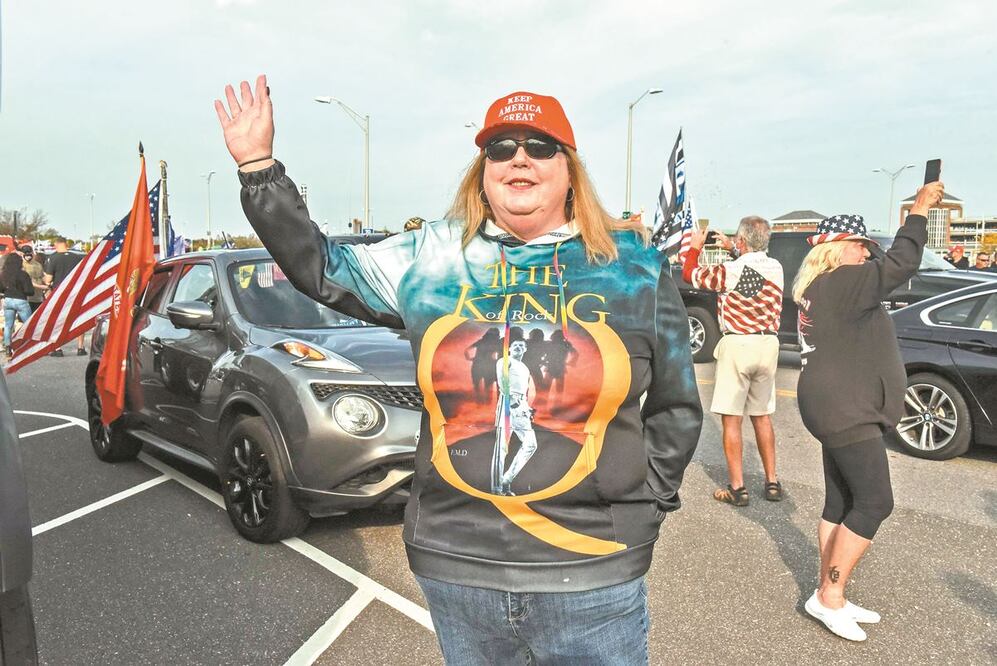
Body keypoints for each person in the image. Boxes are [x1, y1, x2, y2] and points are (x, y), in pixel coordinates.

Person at [217, 75, 703, 664]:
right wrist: (260, 170)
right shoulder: (432, 257)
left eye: (539, 146)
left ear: (568, 168)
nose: (519, 158)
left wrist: (648, 498)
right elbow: (321, 266)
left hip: (593, 571)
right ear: (483, 170)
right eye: (500, 148)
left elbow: (677, 405)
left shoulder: (633, 269)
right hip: (457, 566)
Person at [793, 182, 945, 642]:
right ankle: (829, 597)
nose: (868, 255)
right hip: (846, 409)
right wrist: (918, 210)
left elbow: (885, 267)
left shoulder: (820, 285)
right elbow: (901, 263)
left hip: (831, 404)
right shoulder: (844, 279)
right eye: (861, 246)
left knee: (840, 501)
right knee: (877, 501)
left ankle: (827, 590)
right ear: (840, 249)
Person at [682, 217, 785, 506]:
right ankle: (772, 481)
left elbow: (691, 274)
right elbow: (750, 274)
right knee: (762, 415)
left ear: (742, 241)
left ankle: (738, 488)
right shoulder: (775, 267)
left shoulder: (731, 270)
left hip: (739, 343)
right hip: (768, 343)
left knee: (732, 419)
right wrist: (733, 248)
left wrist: (695, 247)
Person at [491, 339, 538, 495]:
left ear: (525, 349)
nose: (518, 347)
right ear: (509, 348)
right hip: (507, 403)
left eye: (522, 346)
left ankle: (506, 480)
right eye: (515, 345)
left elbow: (523, 390)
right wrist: (511, 400)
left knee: (530, 444)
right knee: (502, 447)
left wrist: (526, 408)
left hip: (521, 405)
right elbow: (501, 381)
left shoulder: (525, 367)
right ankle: (496, 489)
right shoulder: (505, 361)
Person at [43, 237, 86, 356]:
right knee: (77, 319)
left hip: (59, 294)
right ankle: (80, 348)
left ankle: (58, 348)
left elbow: (48, 280)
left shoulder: (53, 258)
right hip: (75, 292)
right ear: (66, 244)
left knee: (57, 320)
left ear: (56, 244)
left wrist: (45, 280)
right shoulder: (77, 257)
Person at [1, 253, 44, 358]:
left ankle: (8, 347)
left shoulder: (3, 274)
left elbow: (1, 289)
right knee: (28, 324)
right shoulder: (23, 274)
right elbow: (30, 291)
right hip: (21, 300)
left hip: (8, 300)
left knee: (8, 325)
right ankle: (30, 346)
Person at [19, 246, 46, 313]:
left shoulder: (38, 264)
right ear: (22, 253)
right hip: (26, 298)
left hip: (38, 297)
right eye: (25, 252)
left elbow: (42, 277)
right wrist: (41, 286)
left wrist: (48, 284)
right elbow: (24, 281)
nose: (28, 254)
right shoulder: (20, 265)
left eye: (29, 252)